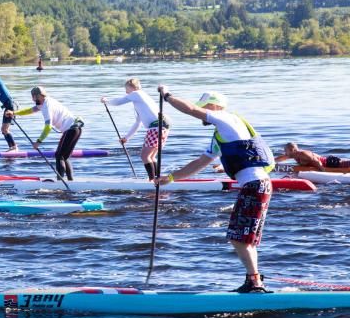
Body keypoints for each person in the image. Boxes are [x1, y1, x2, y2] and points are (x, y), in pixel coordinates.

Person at [154, 88, 275, 293]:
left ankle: (254, 282)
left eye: (206, 107)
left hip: (256, 184)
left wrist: (167, 96)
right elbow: (200, 162)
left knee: (239, 238)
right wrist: (171, 177)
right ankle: (253, 281)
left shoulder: (226, 119)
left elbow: (191, 109)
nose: (202, 113)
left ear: (217, 107)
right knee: (244, 239)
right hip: (255, 185)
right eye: (203, 108)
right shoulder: (220, 136)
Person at [5, 86, 83, 181]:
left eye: (33, 97)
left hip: (71, 129)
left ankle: (60, 183)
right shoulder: (45, 102)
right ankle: (70, 182)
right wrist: (14, 113)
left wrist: (39, 141)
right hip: (76, 129)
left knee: (59, 156)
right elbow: (30, 110)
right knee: (64, 157)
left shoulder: (46, 106)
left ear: (38, 96)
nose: (32, 99)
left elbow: (48, 126)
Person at [101, 78, 171, 180]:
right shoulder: (141, 100)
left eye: (126, 89)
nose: (126, 92)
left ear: (132, 87)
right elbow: (138, 123)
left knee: (144, 156)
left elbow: (118, 102)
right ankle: (157, 179)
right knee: (151, 157)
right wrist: (126, 138)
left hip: (157, 126)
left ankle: (153, 181)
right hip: (161, 125)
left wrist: (106, 101)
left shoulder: (137, 94)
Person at [275, 142, 350, 171]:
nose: (284, 152)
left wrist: (323, 172)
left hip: (331, 163)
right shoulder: (292, 155)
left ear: (292, 150)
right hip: (329, 162)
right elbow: (280, 158)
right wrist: (271, 163)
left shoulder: (303, 154)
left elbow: (316, 162)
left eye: (286, 150)